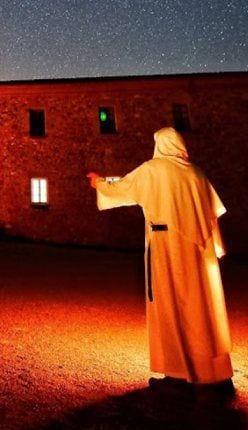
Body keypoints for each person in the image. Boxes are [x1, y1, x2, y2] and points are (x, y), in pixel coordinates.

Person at [87, 127, 234, 393]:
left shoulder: (154, 170)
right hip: (199, 254)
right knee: (202, 307)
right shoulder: (197, 174)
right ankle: (212, 369)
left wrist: (98, 182)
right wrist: (215, 247)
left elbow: (123, 188)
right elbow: (211, 217)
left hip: (168, 249)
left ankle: (178, 371)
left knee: (172, 305)